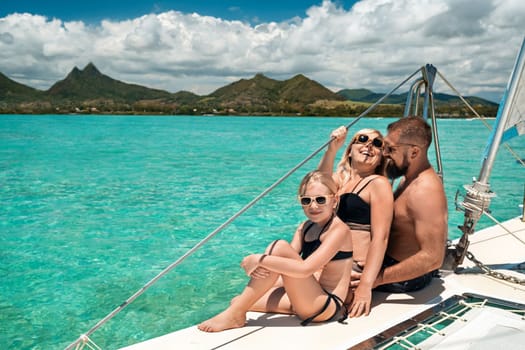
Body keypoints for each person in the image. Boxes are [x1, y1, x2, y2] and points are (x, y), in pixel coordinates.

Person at [198, 170, 353, 332]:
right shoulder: (305, 228)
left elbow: (305, 269)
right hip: (308, 297)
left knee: (278, 246)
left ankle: (236, 315)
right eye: (306, 200)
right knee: (237, 300)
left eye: (321, 200)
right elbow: (283, 267)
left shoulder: (339, 230)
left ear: (334, 201)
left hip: (325, 305)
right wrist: (265, 271)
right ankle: (239, 311)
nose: (313, 206)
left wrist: (259, 260)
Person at [318, 127, 394, 317]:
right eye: (362, 139)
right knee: (270, 274)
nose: (369, 144)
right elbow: (319, 187)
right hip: (324, 262)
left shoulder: (378, 184)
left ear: (380, 158)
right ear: (350, 149)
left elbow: (381, 237)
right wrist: (332, 150)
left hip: (350, 271)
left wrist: (366, 286)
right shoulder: (340, 182)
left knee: (278, 276)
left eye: (377, 143)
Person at [373, 116, 448, 293]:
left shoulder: (425, 192)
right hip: (389, 264)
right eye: (384, 146)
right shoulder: (408, 179)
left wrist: (377, 279)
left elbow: (433, 257)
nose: (384, 154)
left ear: (414, 152)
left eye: (390, 149)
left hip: (408, 277)